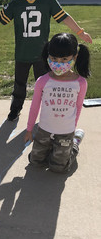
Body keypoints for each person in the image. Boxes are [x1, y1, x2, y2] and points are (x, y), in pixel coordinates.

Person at [24, 33, 90, 173]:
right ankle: (54, 149)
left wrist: (73, 129)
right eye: (54, 58)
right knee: (35, 161)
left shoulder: (80, 83)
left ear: (75, 57)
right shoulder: (42, 81)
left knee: (58, 168)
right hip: (44, 130)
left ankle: (75, 143)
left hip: (66, 132)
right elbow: (35, 106)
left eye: (65, 59)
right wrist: (29, 129)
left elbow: (78, 107)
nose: (58, 63)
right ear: (48, 56)